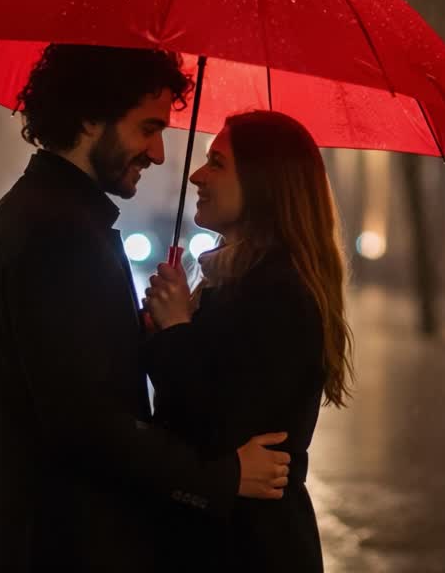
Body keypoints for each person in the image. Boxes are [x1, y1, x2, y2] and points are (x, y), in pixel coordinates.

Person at [0, 44, 292, 572]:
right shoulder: (60, 234)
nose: (160, 153)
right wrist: (222, 478)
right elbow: (88, 424)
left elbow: (70, 381)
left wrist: (146, 336)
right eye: (148, 127)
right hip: (69, 546)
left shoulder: (39, 214)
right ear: (92, 117)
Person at [143, 110, 355, 573]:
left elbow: (221, 426)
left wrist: (176, 329)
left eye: (216, 163)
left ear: (264, 183)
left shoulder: (282, 293)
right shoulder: (230, 281)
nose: (198, 174)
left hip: (248, 550)